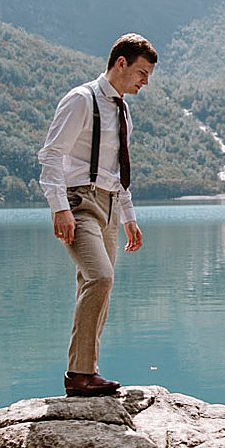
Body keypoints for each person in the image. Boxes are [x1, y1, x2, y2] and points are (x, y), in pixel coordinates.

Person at [38, 34, 156, 397]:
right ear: (120, 62)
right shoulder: (80, 100)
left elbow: (117, 171)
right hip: (78, 202)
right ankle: (77, 374)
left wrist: (129, 217)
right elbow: (51, 155)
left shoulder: (122, 111)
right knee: (99, 278)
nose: (145, 81)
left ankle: (86, 372)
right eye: (141, 72)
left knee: (97, 285)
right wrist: (59, 207)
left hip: (108, 204)